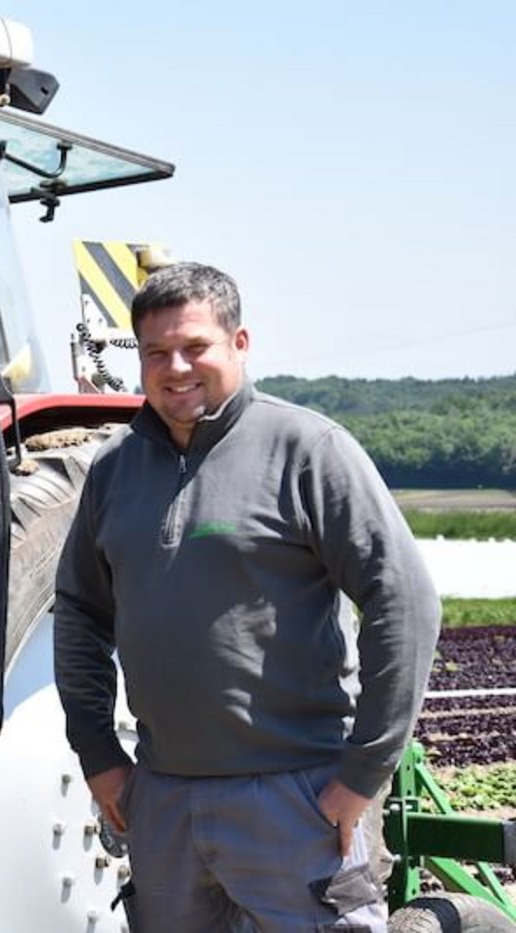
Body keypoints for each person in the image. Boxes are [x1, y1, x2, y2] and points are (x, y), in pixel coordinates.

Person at [53, 262, 440, 931]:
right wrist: (100, 755)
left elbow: (402, 599)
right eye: (156, 352)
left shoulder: (307, 450)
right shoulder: (115, 469)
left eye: (195, 346)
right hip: (165, 800)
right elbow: (81, 612)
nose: (175, 367)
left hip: (298, 794)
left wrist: (364, 770)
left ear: (239, 342)